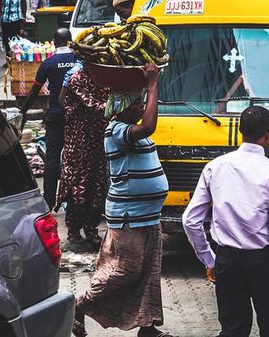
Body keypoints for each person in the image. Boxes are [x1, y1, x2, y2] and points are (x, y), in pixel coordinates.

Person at [183, 106, 269, 337]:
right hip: (263, 264)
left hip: (227, 261)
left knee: (232, 330)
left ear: (241, 131)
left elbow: (190, 221)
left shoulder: (215, 167)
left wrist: (210, 259)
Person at [73, 63, 169, 337]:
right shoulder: (115, 131)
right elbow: (150, 125)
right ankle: (80, 306)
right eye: (136, 103)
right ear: (121, 108)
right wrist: (152, 84)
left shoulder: (131, 129)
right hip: (128, 216)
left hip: (149, 215)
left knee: (149, 273)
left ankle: (147, 327)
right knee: (123, 271)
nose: (141, 107)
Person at [21, 28, 81, 210]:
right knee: (75, 159)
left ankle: (48, 201)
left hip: (55, 115)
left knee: (52, 159)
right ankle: (74, 201)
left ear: (54, 42)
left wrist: (22, 112)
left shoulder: (48, 63)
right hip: (75, 117)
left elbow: (34, 92)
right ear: (70, 42)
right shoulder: (79, 61)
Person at [58, 66, 111, 247]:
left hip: (99, 141)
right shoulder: (77, 77)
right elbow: (92, 104)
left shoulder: (106, 78)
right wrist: (120, 106)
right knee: (77, 186)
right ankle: (73, 230)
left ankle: (91, 229)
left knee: (97, 186)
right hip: (79, 143)